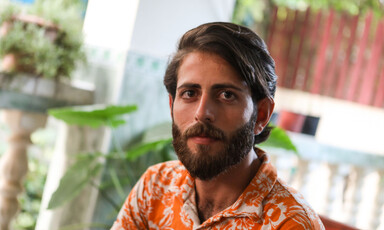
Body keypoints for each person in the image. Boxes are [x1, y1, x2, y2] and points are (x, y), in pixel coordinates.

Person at [111, 22, 324, 229]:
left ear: (261, 114)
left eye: (226, 95)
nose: (202, 113)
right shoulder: (155, 186)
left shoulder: (292, 223)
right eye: (189, 93)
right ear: (171, 104)